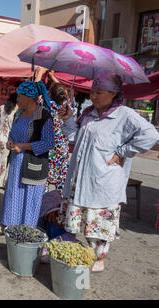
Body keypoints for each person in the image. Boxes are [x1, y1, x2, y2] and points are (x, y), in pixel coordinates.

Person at [57, 70, 159, 272]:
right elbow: (74, 138)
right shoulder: (89, 114)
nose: (93, 96)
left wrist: (123, 151)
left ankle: (99, 259)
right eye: (92, 92)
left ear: (113, 93)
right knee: (86, 220)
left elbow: (151, 135)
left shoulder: (125, 115)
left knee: (98, 222)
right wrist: (69, 119)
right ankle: (91, 255)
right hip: (81, 177)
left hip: (104, 180)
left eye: (99, 92)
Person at [0, 81, 55, 227]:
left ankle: (26, 232)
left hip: (33, 165)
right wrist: (10, 141)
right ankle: (12, 228)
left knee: (29, 199)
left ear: (29, 98)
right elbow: (13, 132)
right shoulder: (18, 114)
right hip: (17, 164)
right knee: (14, 195)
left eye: (19, 96)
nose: (17, 99)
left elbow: (49, 142)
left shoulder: (43, 116)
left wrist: (24, 146)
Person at [0, 93, 18, 190]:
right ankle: (3, 183)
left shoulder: (1, 108)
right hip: (9, 139)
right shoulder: (18, 112)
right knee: (6, 161)